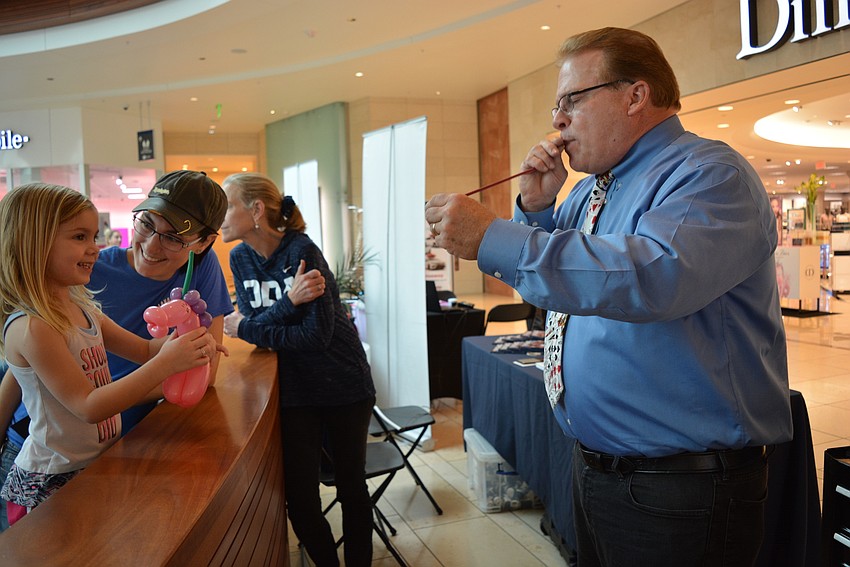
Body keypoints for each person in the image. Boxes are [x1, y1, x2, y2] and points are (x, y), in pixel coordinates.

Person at [425, 27, 792, 566]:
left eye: (572, 100)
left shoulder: (709, 174)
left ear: (635, 95)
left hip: (682, 489)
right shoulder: (591, 191)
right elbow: (567, 276)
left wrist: (493, 237)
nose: (557, 120)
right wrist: (536, 208)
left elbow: (649, 277)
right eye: (557, 105)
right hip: (595, 468)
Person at [0, 170, 236, 532]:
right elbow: (88, 405)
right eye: (80, 237)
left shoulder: (83, 308)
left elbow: (144, 348)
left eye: (93, 236)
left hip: (95, 458)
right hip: (50, 476)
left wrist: (189, 347)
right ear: (35, 244)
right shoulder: (33, 327)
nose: (96, 247)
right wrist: (167, 364)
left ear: (201, 243)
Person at [220, 173, 376, 567]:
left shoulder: (301, 251)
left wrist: (251, 326)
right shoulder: (240, 257)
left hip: (343, 383)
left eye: (227, 205)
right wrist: (289, 302)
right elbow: (260, 332)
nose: (219, 216)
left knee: (351, 489)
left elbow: (314, 337)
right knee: (301, 500)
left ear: (255, 210)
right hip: (294, 392)